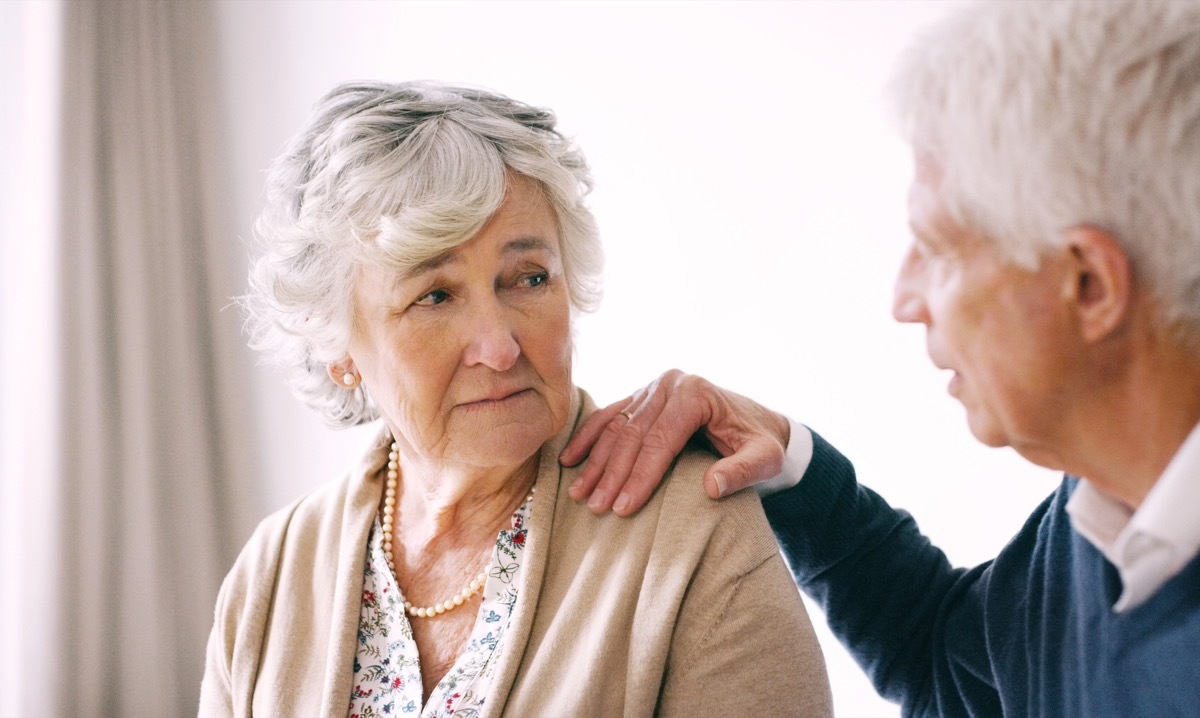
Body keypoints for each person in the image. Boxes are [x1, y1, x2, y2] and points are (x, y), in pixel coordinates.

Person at [562, 1, 1200, 716]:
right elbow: (947, 660)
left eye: (938, 247)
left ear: (1088, 285)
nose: (904, 298)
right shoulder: (1101, 512)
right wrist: (795, 470)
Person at [198, 81, 832, 717]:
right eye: (435, 296)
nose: (499, 347)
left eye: (529, 278)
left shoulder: (694, 536)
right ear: (338, 348)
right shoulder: (271, 578)